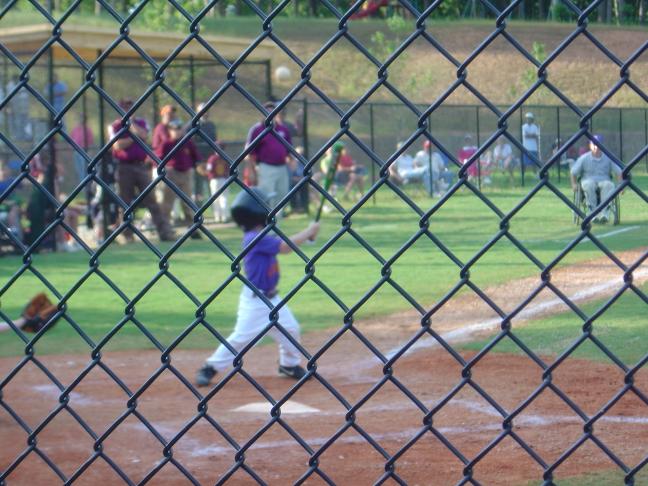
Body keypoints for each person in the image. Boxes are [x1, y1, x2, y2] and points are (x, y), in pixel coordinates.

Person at [195, 188, 320, 386]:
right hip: (255, 301)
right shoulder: (253, 238)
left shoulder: (261, 235)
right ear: (257, 212)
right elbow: (284, 247)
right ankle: (210, 367)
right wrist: (309, 231)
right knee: (240, 338)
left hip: (273, 299)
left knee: (291, 329)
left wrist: (307, 236)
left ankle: (288, 364)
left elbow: (284, 243)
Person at [110, 99, 175, 242]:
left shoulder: (141, 122)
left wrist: (131, 126)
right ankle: (126, 234)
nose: (128, 110)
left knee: (152, 200)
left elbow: (145, 135)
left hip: (141, 166)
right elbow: (117, 145)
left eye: (130, 107)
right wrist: (134, 138)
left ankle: (164, 232)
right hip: (124, 167)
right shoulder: (115, 126)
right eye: (124, 107)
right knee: (125, 202)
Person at [245, 101, 293, 214]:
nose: (270, 113)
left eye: (273, 111)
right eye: (267, 111)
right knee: (267, 196)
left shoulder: (283, 129)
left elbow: (289, 150)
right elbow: (249, 153)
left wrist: (292, 161)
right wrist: (251, 170)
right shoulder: (257, 129)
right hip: (266, 167)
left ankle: (277, 221)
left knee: (282, 195)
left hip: (282, 167)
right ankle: (267, 220)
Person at [156, 118, 201, 232]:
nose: (176, 131)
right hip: (171, 173)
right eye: (173, 129)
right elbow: (157, 158)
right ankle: (166, 228)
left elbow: (196, 157)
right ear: (169, 131)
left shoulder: (187, 142)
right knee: (167, 203)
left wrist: (195, 166)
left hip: (186, 173)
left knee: (188, 202)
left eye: (179, 129)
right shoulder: (166, 143)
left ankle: (192, 227)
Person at [570, 134, 622, 223]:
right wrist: (574, 184)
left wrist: (621, 186)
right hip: (588, 180)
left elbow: (619, 172)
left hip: (604, 180)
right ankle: (592, 213)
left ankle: (605, 214)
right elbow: (573, 172)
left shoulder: (608, 158)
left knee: (609, 185)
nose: (596, 147)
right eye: (594, 145)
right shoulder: (584, 158)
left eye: (598, 145)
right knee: (589, 185)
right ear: (590, 145)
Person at [199, 141, 230, 223]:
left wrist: (204, 172)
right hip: (224, 180)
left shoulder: (212, 158)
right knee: (224, 198)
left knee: (215, 199)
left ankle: (217, 217)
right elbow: (229, 170)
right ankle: (225, 216)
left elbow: (209, 170)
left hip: (214, 181)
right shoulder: (225, 157)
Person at [194, 102, 217, 206]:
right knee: (198, 187)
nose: (205, 113)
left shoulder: (211, 125)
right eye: (202, 111)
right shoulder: (194, 125)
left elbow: (215, 141)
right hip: (198, 161)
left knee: (212, 185)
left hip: (210, 160)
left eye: (206, 110)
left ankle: (215, 209)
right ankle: (197, 208)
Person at [70, 113, 94, 185]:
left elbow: (90, 142)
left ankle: (86, 184)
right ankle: (82, 184)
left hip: (84, 151)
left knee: (84, 169)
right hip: (76, 151)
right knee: (78, 169)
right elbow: (71, 139)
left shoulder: (88, 130)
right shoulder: (75, 129)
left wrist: (89, 152)